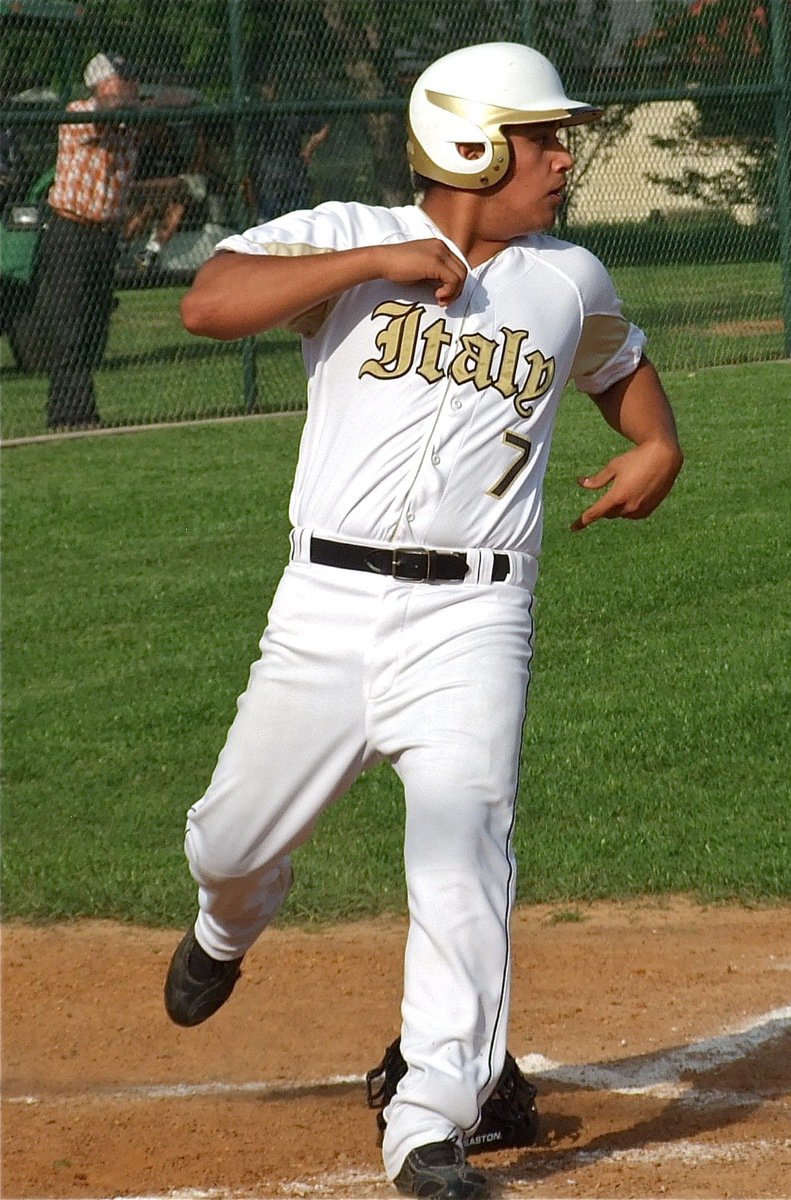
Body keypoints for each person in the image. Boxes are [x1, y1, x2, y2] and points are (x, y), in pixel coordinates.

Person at [165, 42, 683, 1200]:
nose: (563, 157)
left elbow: (616, 364)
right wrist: (386, 258)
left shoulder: (569, 277)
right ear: (469, 143)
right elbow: (208, 303)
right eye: (541, 138)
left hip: (477, 614)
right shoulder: (346, 232)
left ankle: (431, 1115)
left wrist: (656, 445)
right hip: (327, 607)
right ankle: (224, 922)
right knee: (229, 839)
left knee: (464, 840)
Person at [29, 53, 139, 429]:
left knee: (94, 330)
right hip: (70, 233)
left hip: (104, 237)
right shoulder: (79, 114)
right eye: (119, 80)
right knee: (69, 327)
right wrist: (127, 102)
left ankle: (72, 410)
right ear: (99, 83)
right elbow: (105, 111)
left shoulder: (129, 122)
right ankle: (71, 414)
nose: (128, 86)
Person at [123, 86, 209, 274]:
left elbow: (188, 174)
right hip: (148, 199)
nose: (154, 131)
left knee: (177, 206)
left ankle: (150, 253)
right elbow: (139, 181)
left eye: (157, 126)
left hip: (170, 197)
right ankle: (121, 249)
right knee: (146, 210)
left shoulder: (175, 145)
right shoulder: (143, 150)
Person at [246, 78, 330, 222]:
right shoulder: (253, 115)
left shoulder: (289, 112)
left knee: (298, 222)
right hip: (267, 179)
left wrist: (308, 150)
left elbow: (323, 127)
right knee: (269, 223)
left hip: (292, 176)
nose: (264, 90)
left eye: (268, 86)